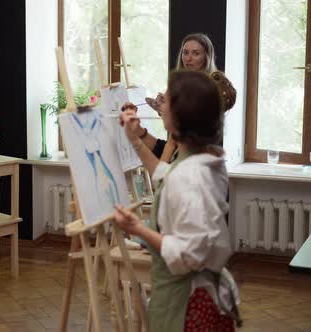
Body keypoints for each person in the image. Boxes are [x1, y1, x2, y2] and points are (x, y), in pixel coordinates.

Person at [116, 70, 241, 331]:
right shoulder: (204, 159)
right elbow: (166, 175)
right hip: (197, 298)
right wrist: (135, 138)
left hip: (188, 307)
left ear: (181, 118)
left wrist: (137, 229)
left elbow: (188, 255)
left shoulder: (189, 175)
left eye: (168, 101)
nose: (161, 104)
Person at [135, 33, 236, 163]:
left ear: (207, 56)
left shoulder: (209, 89)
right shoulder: (179, 84)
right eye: (185, 52)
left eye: (195, 53)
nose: (188, 58)